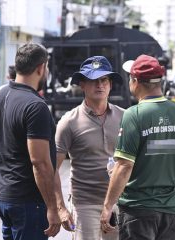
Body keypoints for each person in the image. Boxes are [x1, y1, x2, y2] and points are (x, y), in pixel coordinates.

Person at [100, 55, 175, 240]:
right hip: (169, 209)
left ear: (135, 82)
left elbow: (124, 166)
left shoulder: (134, 115)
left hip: (138, 210)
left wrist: (107, 206)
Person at [0, 43, 72, 240]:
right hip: (28, 203)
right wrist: (52, 208)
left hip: (3, 196)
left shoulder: (0, 96)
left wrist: (9, 174)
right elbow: (40, 163)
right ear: (41, 68)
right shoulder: (35, 106)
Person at [55, 56, 124, 240]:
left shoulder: (125, 117)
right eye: (93, 81)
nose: (99, 85)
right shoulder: (69, 122)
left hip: (119, 202)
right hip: (85, 203)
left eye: (104, 80)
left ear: (110, 84)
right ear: (82, 85)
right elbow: (51, 168)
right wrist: (61, 209)